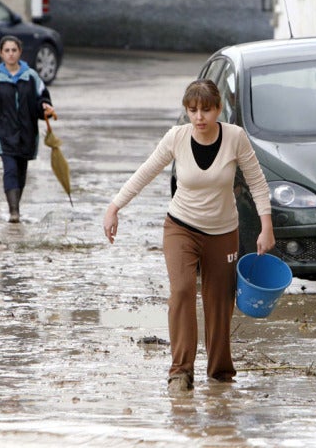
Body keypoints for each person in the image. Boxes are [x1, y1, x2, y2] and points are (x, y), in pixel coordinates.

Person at [103, 79, 275, 394]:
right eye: (193, 110)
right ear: (186, 111)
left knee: (219, 303)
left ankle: (220, 375)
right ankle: (180, 372)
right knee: (182, 291)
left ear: (218, 109)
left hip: (223, 232)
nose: (199, 117)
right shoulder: (176, 138)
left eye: (206, 110)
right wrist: (115, 207)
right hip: (180, 227)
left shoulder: (235, 138)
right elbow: (145, 172)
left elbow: (257, 181)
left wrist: (267, 226)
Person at [0, 36, 55, 223]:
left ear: (20, 52)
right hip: (3, 133)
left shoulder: (32, 77)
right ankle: (14, 212)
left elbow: (42, 100)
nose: (11, 54)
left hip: (27, 133)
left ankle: (15, 206)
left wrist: (46, 108)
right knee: (10, 169)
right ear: (1, 53)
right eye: (7, 51)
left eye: (14, 50)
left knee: (21, 172)